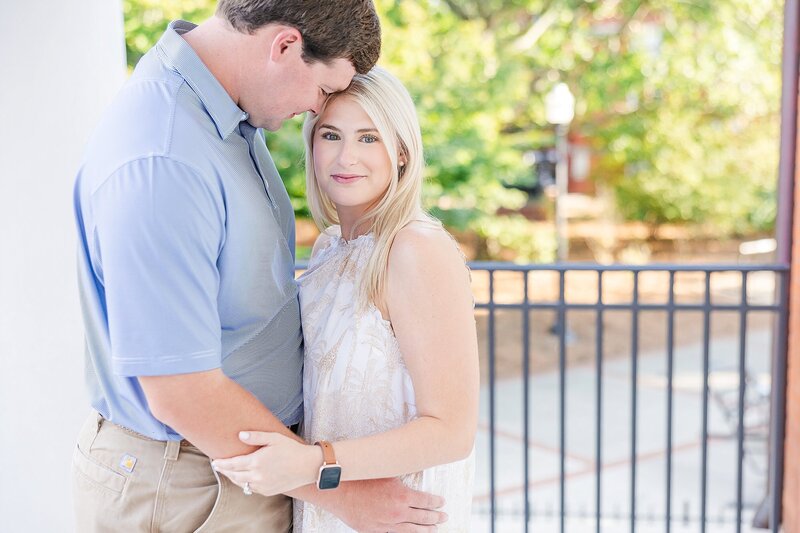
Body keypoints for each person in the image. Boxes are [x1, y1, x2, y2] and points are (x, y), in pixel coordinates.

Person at [71, 2, 448, 531]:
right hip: (189, 482)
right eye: (323, 92)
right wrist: (340, 494)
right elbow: (180, 387)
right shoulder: (166, 157)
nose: (318, 109)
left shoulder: (227, 121)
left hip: (249, 473)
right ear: (286, 47)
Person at [212, 66, 480, 532]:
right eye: (331, 135)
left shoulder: (417, 249)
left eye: (369, 138)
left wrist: (315, 463)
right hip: (329, 508)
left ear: (401, 152)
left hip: (393, 512)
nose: (346, 156)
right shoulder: (329, 247)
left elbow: (452, 431)